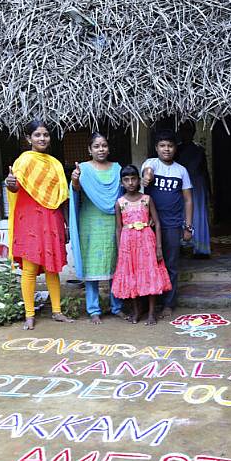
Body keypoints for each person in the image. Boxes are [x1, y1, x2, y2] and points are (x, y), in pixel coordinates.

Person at [5, 120, 74, 330]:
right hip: (28, 220)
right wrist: (11, 185)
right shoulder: (23, 161)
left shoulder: (55, 163)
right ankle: (29, 314)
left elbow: (62, 196)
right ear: (28, 138)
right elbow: (15, 187)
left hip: (51, 218)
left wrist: (67, 225)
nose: (42, 138)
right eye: (37, 135)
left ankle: (57, 311)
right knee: (29, 268)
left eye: (45, 134)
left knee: (52, 267)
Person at [69, 132, 125, 324]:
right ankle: (93, 310)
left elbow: (125, 193)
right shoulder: (83, 169)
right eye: (97, 146)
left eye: (104, 146)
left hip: (112, 221)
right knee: (92, 266)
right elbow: (75, 191)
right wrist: (75, 180)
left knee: (114, 264)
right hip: (90, 223)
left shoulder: (117, 168)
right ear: (89, 150)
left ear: (108, 148)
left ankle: (117, 306)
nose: (101, 149)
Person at [141, 130, 193, 318]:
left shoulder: (181, 171)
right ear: (156, 148)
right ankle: (147, 303)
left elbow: (188, 199)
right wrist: (147, 178)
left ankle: (168, 303)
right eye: (162, 146)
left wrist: (188, 226)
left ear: (175, 148)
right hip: (149, 224)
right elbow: (147, 174)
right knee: (149, 263)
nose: (166, 149)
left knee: (170, 264)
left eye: (170, 146)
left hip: (172, 224)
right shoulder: (151, 163)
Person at [112, 165, 172, 325]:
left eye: (133, 179)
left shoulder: (146, 199)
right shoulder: (120, 203)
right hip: (128, 244)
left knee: (150, 275)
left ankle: (152, 313)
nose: (130, 182)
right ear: (122, 183)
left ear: (139, 180)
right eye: (126, 180)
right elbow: (118, 228)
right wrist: (120, 251)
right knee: (133, 277)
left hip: (147, 242)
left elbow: (157, 223)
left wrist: (158, 247)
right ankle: (137, 311)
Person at [176, 122, 211, 257]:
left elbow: (204, 171)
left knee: (198, 214)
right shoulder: (176, 150)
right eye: (183, 130)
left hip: (197, 186)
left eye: (189, 130)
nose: (186, 133)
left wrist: (209, 190)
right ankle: (181, 247)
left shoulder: (199, 150)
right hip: (180, 186)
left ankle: (200, 249)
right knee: (181, 215)